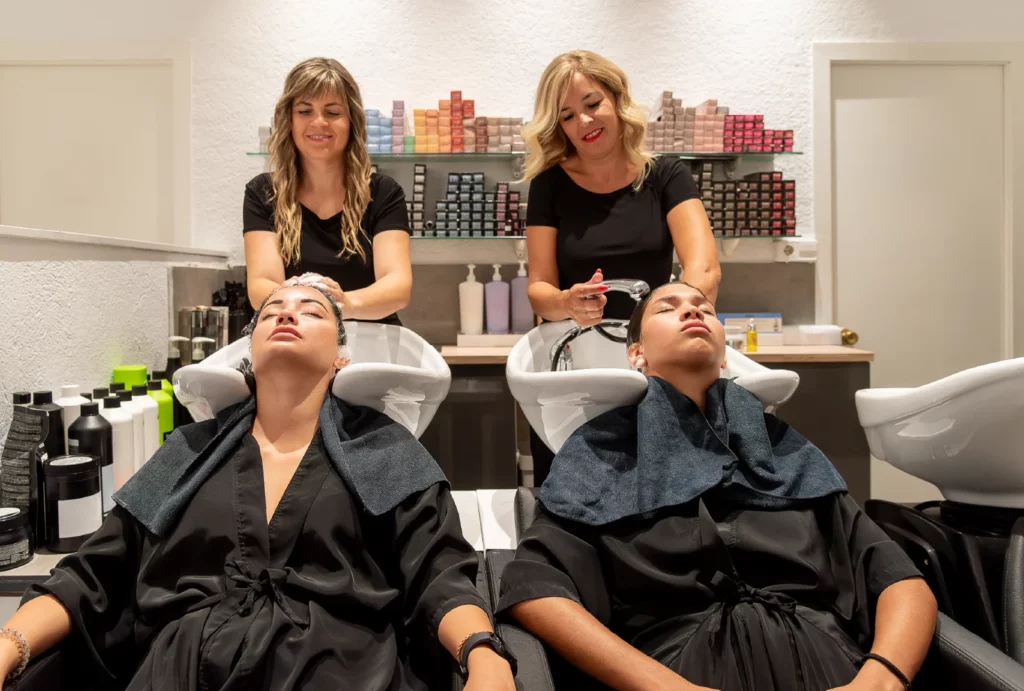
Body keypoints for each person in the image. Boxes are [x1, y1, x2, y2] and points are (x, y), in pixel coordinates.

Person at [0, 284, 516, 691]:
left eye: (311, 312)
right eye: (272, 312)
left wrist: (483, 655)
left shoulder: (386, 451)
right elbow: (92, 571)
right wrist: (9, 645)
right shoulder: (188, 449)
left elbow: (440, 574)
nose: (287, 315)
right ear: (249, 351)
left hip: (339, 672)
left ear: (342, 356)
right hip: (181, 671)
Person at [497, 281, 937, 691]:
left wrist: (880, 679)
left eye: (704, 308)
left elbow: (898, 579)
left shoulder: (783, 450)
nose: (692, 311)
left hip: (831, 667)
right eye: (668, 308)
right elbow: (535, 590)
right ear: (636, 354)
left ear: (725, 354)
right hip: (677, 670)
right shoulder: (602, 454)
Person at [519, 50, 721, 484]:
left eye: (592, 104)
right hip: (574, 371)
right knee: (570, 490)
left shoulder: (666, 177)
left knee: (657, 487)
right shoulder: (549, 185)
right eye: (568, 116)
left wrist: (662, 331)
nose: (584, 123)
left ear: (616, 99)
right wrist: (567, 302)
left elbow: (704, 271)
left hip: (652, 363)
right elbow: (539, 287)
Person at [243, 57, 413, 324]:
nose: (318, 122)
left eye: (332, 112)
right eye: (304, 111)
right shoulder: (263, 193)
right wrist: (316, 307)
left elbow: (398, 285)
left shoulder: (383, 193)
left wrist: (344, 304)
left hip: (372, 347)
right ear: (288, 119)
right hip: (294, 342)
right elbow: (261, 285)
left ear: (352, 122)